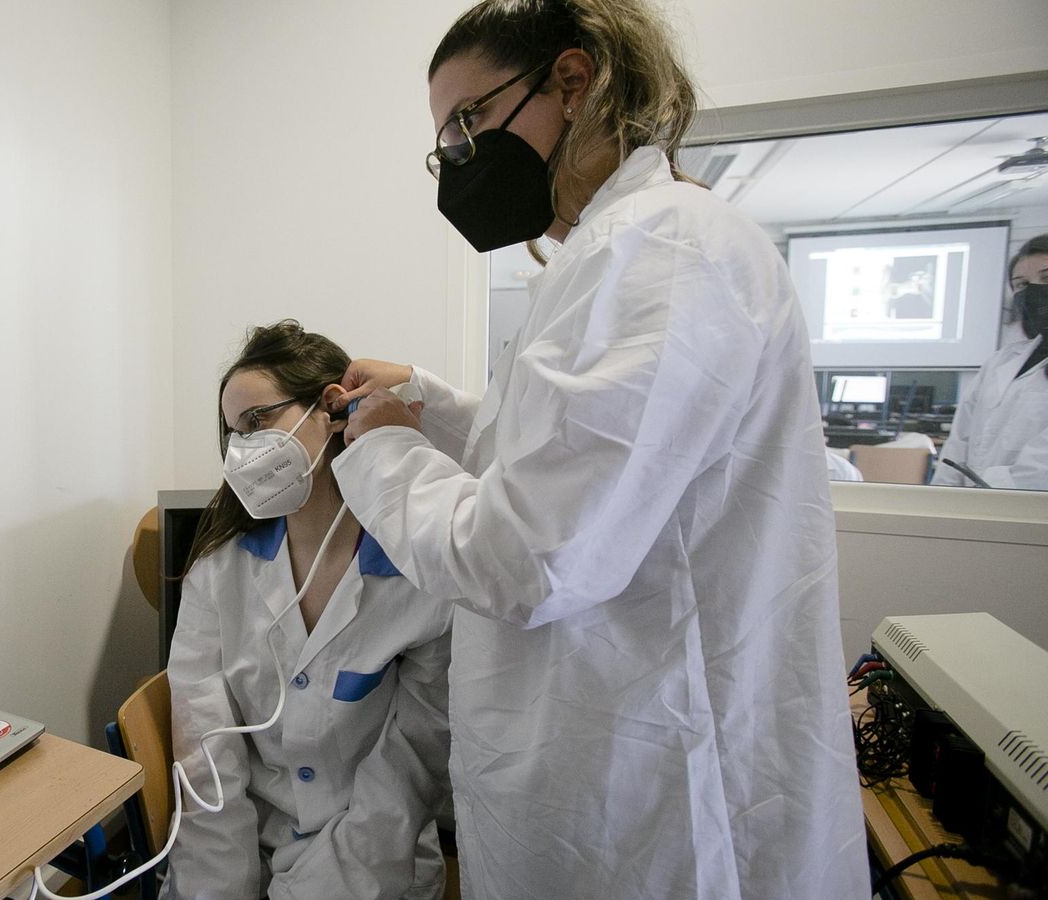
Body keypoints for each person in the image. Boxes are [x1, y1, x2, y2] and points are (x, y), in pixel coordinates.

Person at [327, 2, 868, 898]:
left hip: (659, 794)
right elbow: (565, 452)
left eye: (468, 124)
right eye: (445, 145)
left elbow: (529, 554)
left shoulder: (658, 248)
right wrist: (424, 402)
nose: (459, 161)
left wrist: (382, 454)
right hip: (605, 761)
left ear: (572, 84)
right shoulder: (614, 250)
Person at [164, 320, 454, 900]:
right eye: (232, 433)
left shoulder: (420, 581)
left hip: (376, 864)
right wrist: (224, 889)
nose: (244, 450)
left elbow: (409, 773)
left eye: (258, 420)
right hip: (249, 853)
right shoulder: (218, 575)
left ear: (332, 407)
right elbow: (206, 764)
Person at [932, 234, 1048, 489]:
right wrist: (941, 500)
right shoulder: (1001, 361)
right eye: (1022, 285)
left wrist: (985, 487)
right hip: (975, 508)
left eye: (1046, 278)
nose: (1034, 292)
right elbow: (959, 440)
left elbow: (1041, 469)